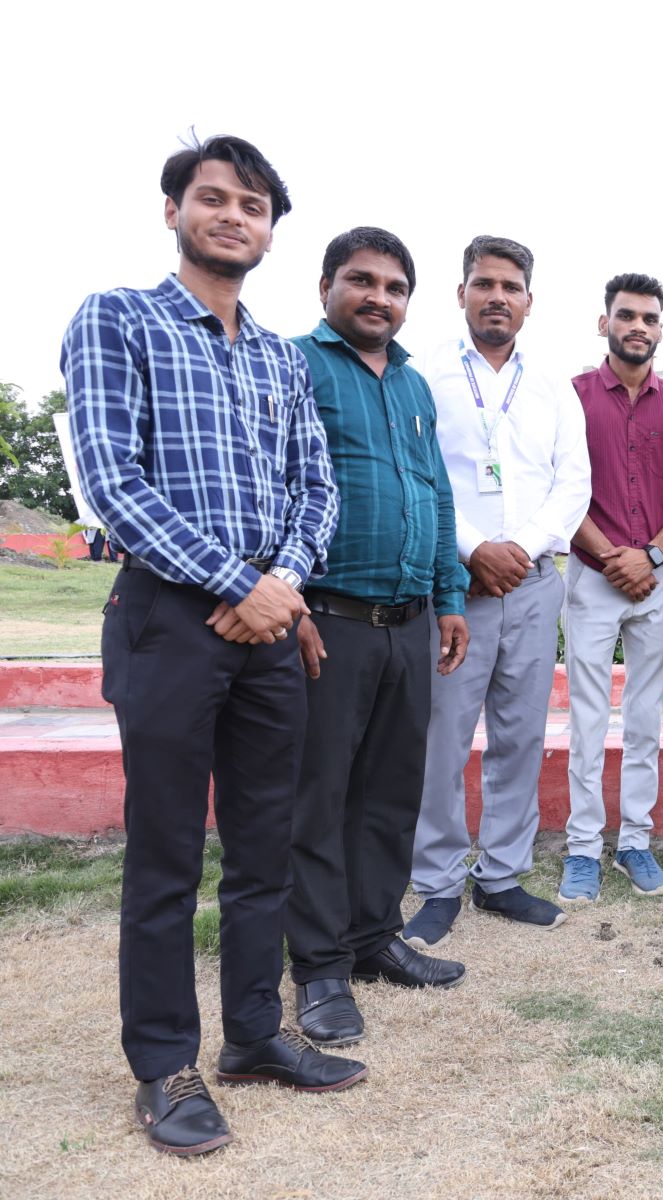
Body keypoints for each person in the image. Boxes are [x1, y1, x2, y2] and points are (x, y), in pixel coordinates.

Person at [63, 133, 361, 1157]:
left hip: (270, 628)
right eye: (216, 198)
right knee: (166, 854)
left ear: (272, 231)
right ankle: (164, 1066)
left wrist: (280, 586)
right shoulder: (118, 319)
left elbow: (316, 487)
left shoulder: (281, 357)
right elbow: (112, 482)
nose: (235, 216)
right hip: (168, 623)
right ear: (174, 210)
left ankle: (254, 1035)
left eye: (254, 206)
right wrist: (241, 584)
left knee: (264, 844)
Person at [287, 227, 471, 1048]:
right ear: (326, 286)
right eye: (362, 281)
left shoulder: (413, 384)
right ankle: (319, 967)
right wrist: (289, 601)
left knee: (392, 794)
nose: (379, 298)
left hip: (409, 622)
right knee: (320, 797)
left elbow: (435, 493)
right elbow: (277, 482)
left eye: (395, 288)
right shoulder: (297, 365)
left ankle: (372, 937)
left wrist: (449, 594)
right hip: (327, 620)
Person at [404, 236, 590, 946]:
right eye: (484, 284)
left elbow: (573, 481)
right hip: (458, 585)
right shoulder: (424, 376)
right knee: (443, 738)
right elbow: (423, 475)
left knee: (520, 735)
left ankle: (503, 875)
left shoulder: (553, 386)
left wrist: (523, 548)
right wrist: (476, 550)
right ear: (462, 294)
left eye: (511, 287)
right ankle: (438, 881)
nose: (497, 298)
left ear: (529, 302)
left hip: (534, 583)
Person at [558, 273, 663, 902]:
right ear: (604, 322)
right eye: (627, 315)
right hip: (593, 575)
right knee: (587, 718)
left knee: (645, 716)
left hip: (658, 578)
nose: (638, 326)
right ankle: (583, 848)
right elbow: (562, 490)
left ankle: (635, 842)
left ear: (661, 329)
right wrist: (614, 558)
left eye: (649, 318)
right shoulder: (573, 397)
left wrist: (651, 556)